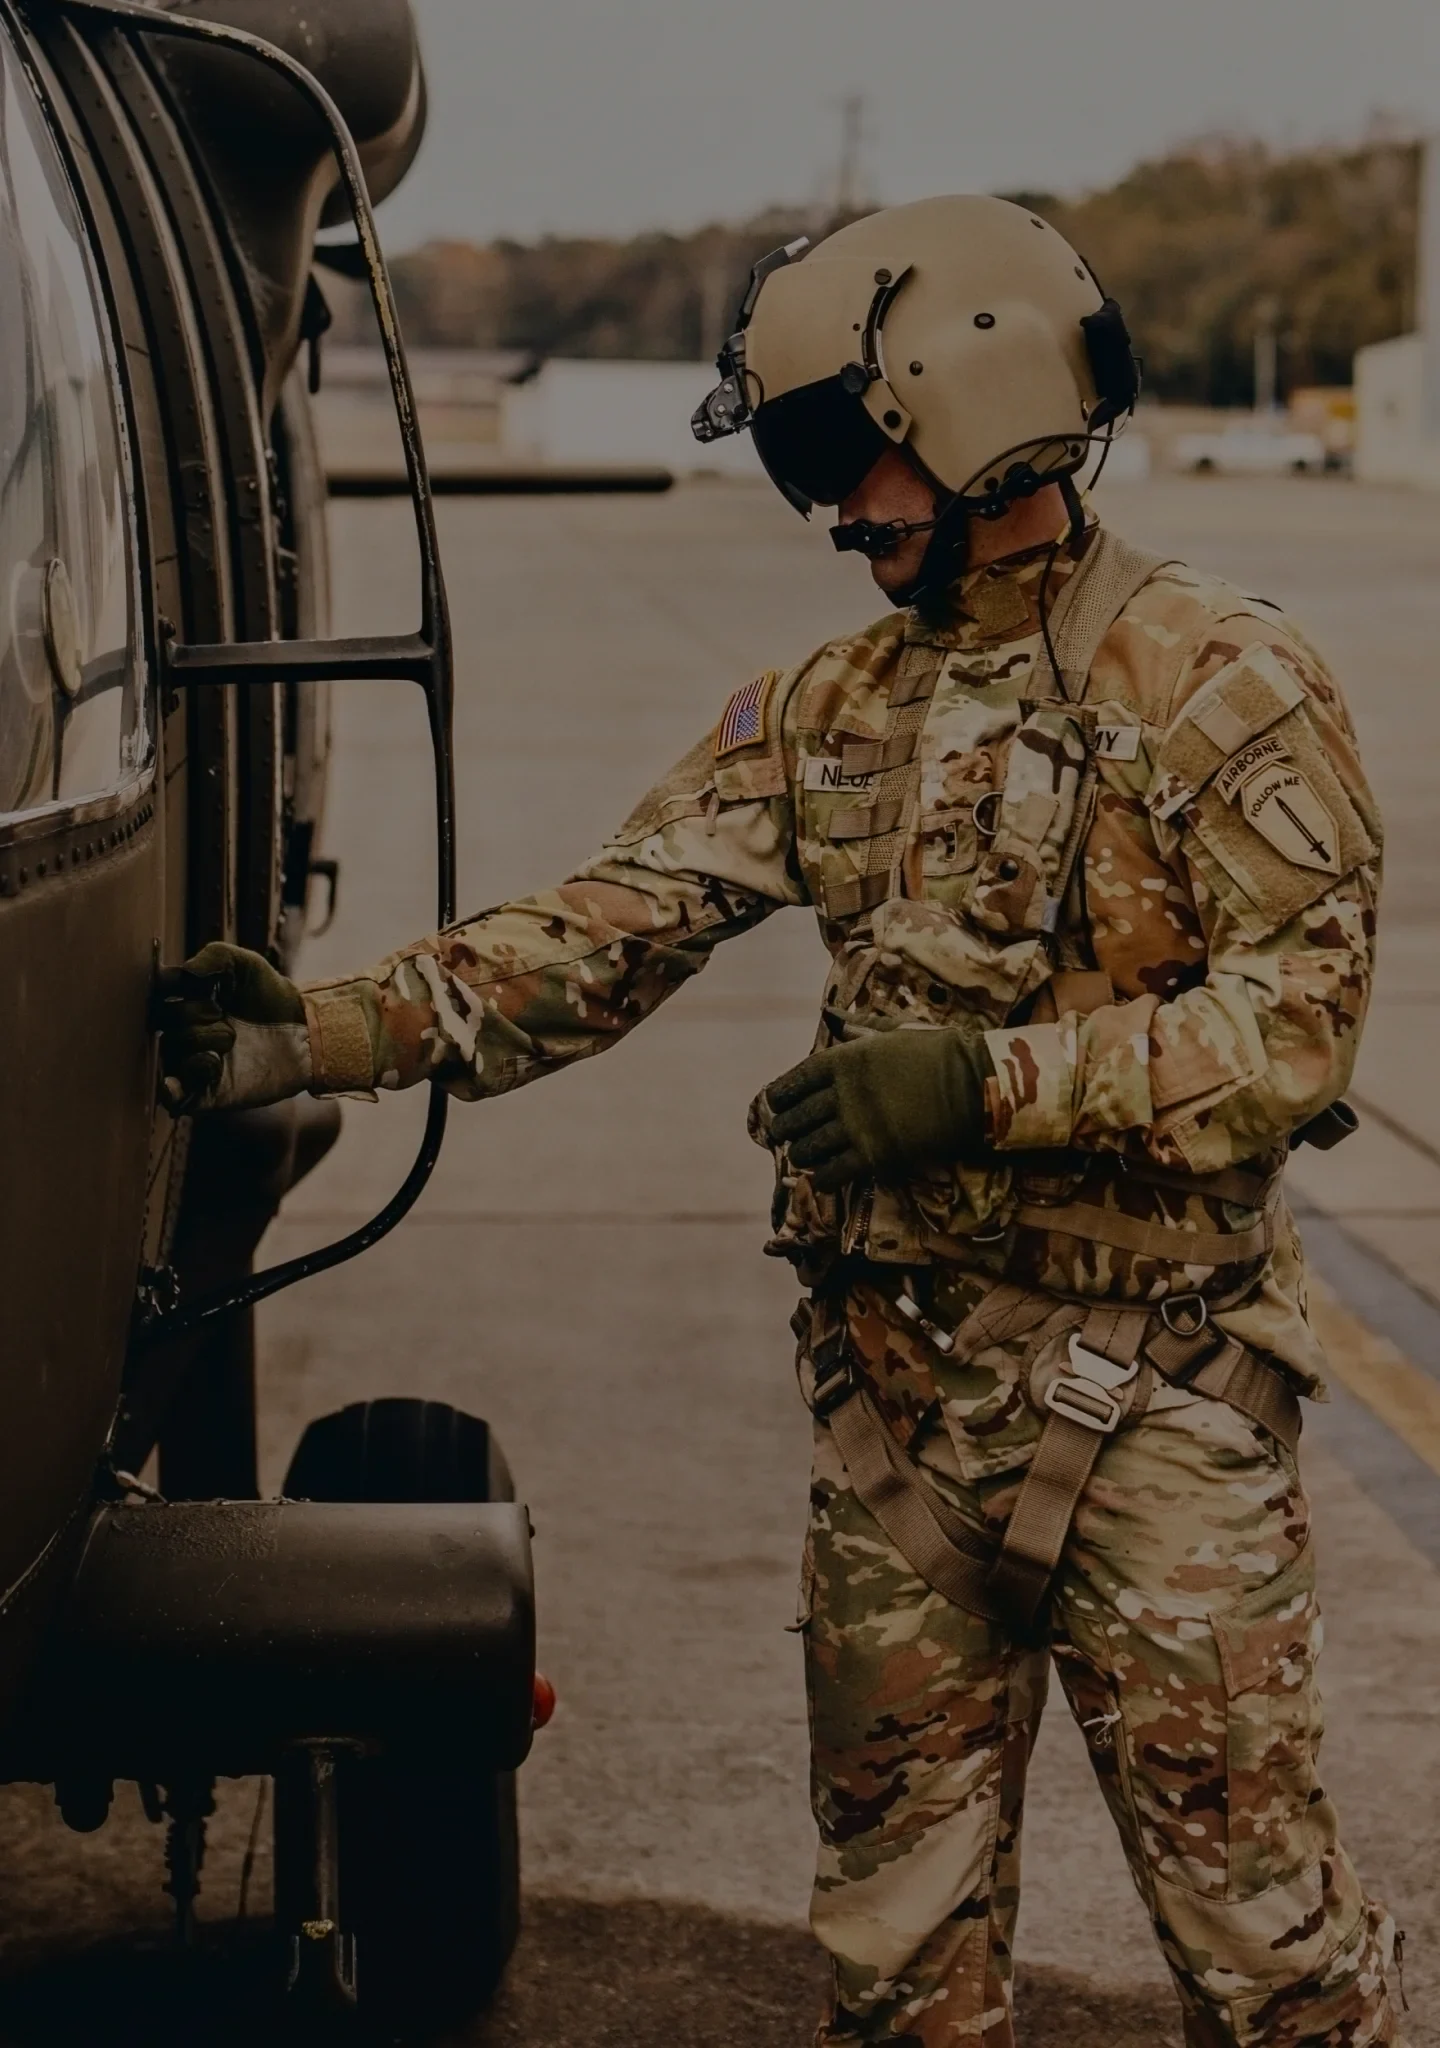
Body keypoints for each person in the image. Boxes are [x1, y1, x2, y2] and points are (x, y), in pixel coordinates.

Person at [160, 196, 1401, 2047]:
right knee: (897, 1973)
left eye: (845, 449)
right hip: (896, 1434)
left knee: (1273, 1963)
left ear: (978, 417)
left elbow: (1294, 1028)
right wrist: (319, 1034)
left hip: (1158, 1426)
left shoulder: (1222, 680)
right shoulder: (830, 708)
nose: (834, 509)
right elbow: (605, 928)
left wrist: (979, 1086)